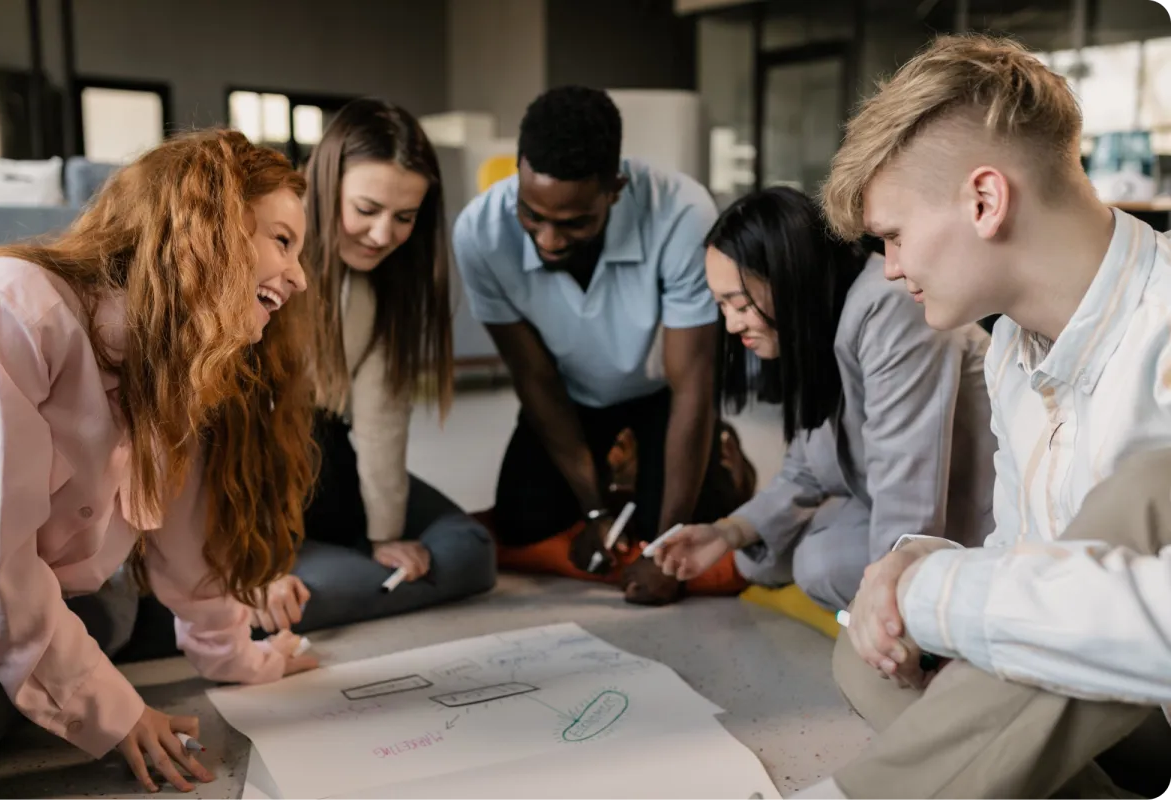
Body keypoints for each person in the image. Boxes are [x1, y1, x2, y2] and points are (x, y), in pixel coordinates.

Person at [793, 34, 1171, 799]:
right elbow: (1021, 553)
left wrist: (934, 591)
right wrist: (912, 569)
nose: (891, 269)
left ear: (985, 201)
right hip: (1097, 707)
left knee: (1144, 492)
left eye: (895, 236)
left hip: (1149, 680)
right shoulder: (1010, 353)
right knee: (869, 643)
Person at [0, 130, 319, 793]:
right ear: (205, 227)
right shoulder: (14, 306)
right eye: (282, 241)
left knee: (104, 621)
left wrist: (242, 659)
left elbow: (187, 551)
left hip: (21, 604)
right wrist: (117, 714)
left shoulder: (175, 369)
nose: (300, 277)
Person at [452, 85, 751, 605]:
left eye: (574, 222)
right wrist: (594, 511)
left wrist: (663, 549)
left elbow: (691, 385)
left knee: (684, 519)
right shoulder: (479, 233)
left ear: (615, 188)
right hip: (570, 392)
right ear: (518, 171)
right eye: (532, 215)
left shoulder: (682, 212)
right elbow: (535, 378)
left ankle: (726, 459)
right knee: (523, 521)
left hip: (660, 391)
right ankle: (617, 478)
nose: (548, 239)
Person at [651, 187, 995, 611]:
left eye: (738, 304)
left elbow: (909, 487)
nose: (732, 325)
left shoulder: (888, 307)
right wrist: (726, 532)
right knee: (762, 554)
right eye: (721, 306)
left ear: (788, 277)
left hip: (969, 513)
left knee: (821, 564)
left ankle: (931, 610)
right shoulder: (814, 324)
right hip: (893, 496)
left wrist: (884, 602)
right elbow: (807, 467)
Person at [235, 98, 496, 636]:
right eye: (367, 209)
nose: (382, 235)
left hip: (318, 457)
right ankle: (224, 599)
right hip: (238, 465)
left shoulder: (380, 288)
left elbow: (382, 420)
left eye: (404, 218)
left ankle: (299, 581)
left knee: (468, 551)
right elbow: (223, 432)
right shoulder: (253, 254)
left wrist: (385, 535)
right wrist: (256, 559)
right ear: (324, 184)